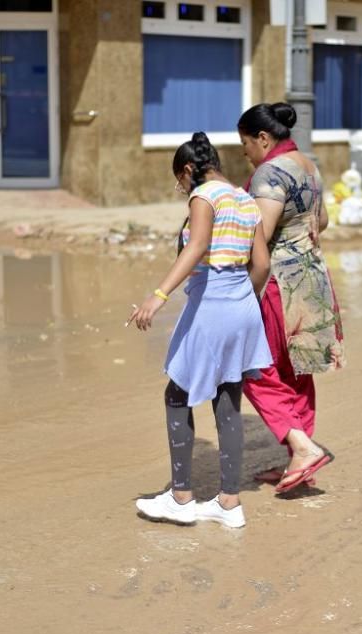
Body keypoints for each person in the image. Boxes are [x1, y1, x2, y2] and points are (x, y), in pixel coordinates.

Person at [130, 132, 272, 529]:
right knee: (228, 398)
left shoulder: (204, 196)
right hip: (243, 304)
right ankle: (228, 503)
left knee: (177, 393)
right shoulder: (246, 199)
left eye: (180, 179)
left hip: (211, 306)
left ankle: (181, 497)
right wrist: (243, 302)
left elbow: (198, 246)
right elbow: (261, 265)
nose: (181, 188)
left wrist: (157, 296)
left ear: (190, 170)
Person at [237, 102, 345, 494]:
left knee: (253, 366)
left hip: (279, 285)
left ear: (263, 138)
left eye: (246, 143)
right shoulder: (309, 166)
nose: (244, 152)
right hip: (314, 279)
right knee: (295, 370)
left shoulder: (269, 172)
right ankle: (302, 457)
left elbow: (259, 235)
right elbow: (324, 222)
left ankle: (301, 447)